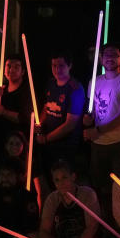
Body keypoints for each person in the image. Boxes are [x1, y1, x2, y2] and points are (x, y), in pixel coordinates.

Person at [83, 43, 120, 213]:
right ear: (101, 58)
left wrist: (97, 130)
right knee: (100, 190)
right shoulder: (94, 81)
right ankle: (102, 225)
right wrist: (88, 119)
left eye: (114, 55)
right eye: (106, 54)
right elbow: (93, 111)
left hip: (119, 143)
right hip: (98, 144)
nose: (109, 58)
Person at [38, 159, 105, 238]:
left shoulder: (87, 194)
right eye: (57, 180)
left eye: (64, 177)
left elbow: (92, 226)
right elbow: (44, 229)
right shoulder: (52, 199)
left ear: (73, 177)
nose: (61, 183)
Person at [36, 51, 86, 184]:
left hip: (66, 145)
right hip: (48, 142)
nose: (57, 69)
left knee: (63, 180)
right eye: (54, 65)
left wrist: (46, 138)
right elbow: (47, 107)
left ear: (70, 66)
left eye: (61, 65)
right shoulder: (51, 83)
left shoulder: (75, 89)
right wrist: (39, 123)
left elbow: (70, 124)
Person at [0, 53, 33, 169]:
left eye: (16, 67)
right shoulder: (2, 90)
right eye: (8, 66)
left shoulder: (27, 91)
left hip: (16, 146)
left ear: (23, 71)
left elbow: (24, 118)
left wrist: (4, 112)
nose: (11, 69)